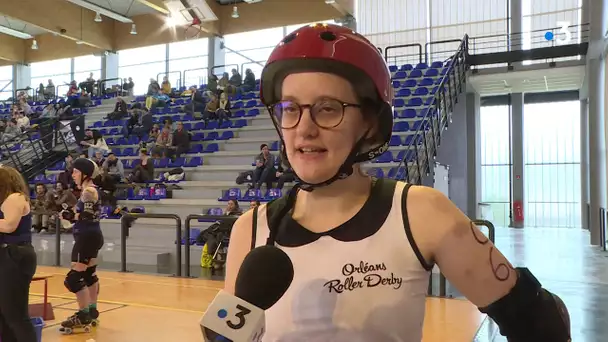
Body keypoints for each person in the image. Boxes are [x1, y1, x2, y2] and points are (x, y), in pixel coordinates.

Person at [224, 24, 571, 342]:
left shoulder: (420, 212)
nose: (304, 127)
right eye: (290, 108)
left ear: (371, 124)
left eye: (328, 108)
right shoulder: (249, 229)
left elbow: (540, 324)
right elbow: (227, 334)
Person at [60, 158, 104, 333]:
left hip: (86, 237)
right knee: (89, 275)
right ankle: (92, 309)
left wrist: (69, 216)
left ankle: (83, 314)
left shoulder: (89, 191)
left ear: (85, 174)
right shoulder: (90, 190)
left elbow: (86, 214)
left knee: (73, 278)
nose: (73, 175)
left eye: (76, 172)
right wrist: (70, 213)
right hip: (92, 235)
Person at [0, 166, 38, 342]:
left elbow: (9, 225)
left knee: (15, 314)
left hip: (15, 254)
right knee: (5, 314)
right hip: (8, 254)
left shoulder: (15, 197)